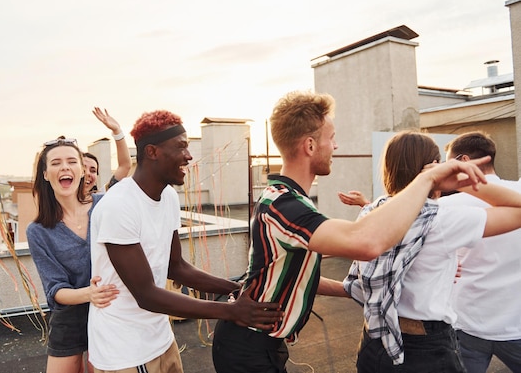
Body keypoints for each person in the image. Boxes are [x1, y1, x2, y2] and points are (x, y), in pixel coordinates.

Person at [211, 90, 493, 373]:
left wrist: (362, 286)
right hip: (248, 348)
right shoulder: (284, 205)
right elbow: (365, 242)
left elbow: (303, 275)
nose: (335, 146)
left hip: (260, 344)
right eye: (331, 138)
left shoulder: (288, 198)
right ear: (310, 145)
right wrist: (428, 178)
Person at [88, 109, 283, 373]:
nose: (189, 156)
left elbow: (175, 266)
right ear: (152, 152)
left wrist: (235, 289)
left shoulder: (167, 196)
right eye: (181, 147)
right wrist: (231, 311)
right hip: (125, 352)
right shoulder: (119, 205)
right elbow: (146, 295)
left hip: (160, 340)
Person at [343, 130, 521, 373]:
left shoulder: (372, 211)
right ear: (435, 169)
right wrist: (461, 183)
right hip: (426, 348)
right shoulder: (439, 218)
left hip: (375, 340)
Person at [26, 109, 130, 373]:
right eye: (56, 163)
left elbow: (125, 168)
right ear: (46, 175)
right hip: (69, 318)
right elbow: (55, 289)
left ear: (82, 171)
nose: (65, 167)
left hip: (108, 311)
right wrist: (88, 294)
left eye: (72, 161)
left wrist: (117, 133)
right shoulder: (38, 230)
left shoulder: (104, 205)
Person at [439, 131, 521, 373]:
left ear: (464, 161)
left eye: (448, 163)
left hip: (466, 322)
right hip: (516, 324)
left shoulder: (444, 207)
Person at [83, 107, 132, 195]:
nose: (87, 173)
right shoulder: (55, 202)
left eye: (93, 170)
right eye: (82, 169)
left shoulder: (99, 199)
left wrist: (117, 131)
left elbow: (125, 165)